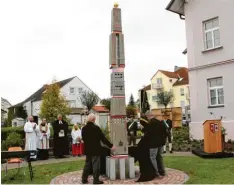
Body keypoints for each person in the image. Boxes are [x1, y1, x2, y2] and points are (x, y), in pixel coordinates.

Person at [81, 113, 116, 184]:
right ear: (94, 120)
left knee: (87, 164)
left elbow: (84, 139)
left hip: (87, 149)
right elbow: (103, 138)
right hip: (95, 149)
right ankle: (96, 180)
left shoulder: (84, 128)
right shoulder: (96, 128)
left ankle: (84, 179)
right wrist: (111, 146)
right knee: (95, 164)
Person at [145, 111, 168, 177]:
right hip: (160, 143)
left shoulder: (149, 124)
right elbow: (166, 133)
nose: (147, 118)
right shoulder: (161, 122)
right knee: (159, 157)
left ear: (149, 116)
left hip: (153, 144)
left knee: (152, 157)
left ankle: (156, 172)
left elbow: (147, 135)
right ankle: (162, 171)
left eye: (147, 117)